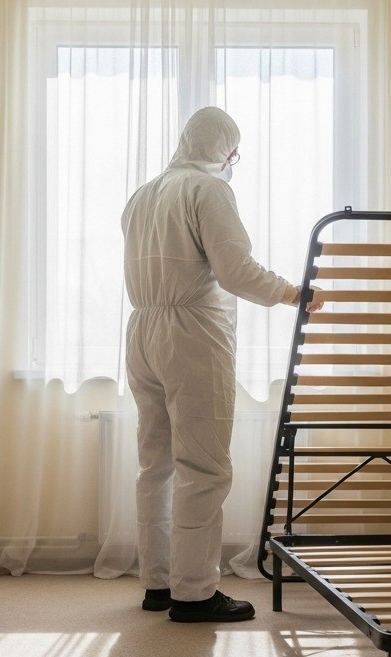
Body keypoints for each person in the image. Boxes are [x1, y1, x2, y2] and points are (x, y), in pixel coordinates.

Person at [121, 106, 323, 623]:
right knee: (204, 466)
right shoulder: (207, 190)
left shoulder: (142, 196)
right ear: (224, 150)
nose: (234, 162)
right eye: (234, 153)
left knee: (155, 463)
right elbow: (235, 271)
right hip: (191, 333)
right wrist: (294, 293)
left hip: (141, 330)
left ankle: (158, 584)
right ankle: (194, 594)